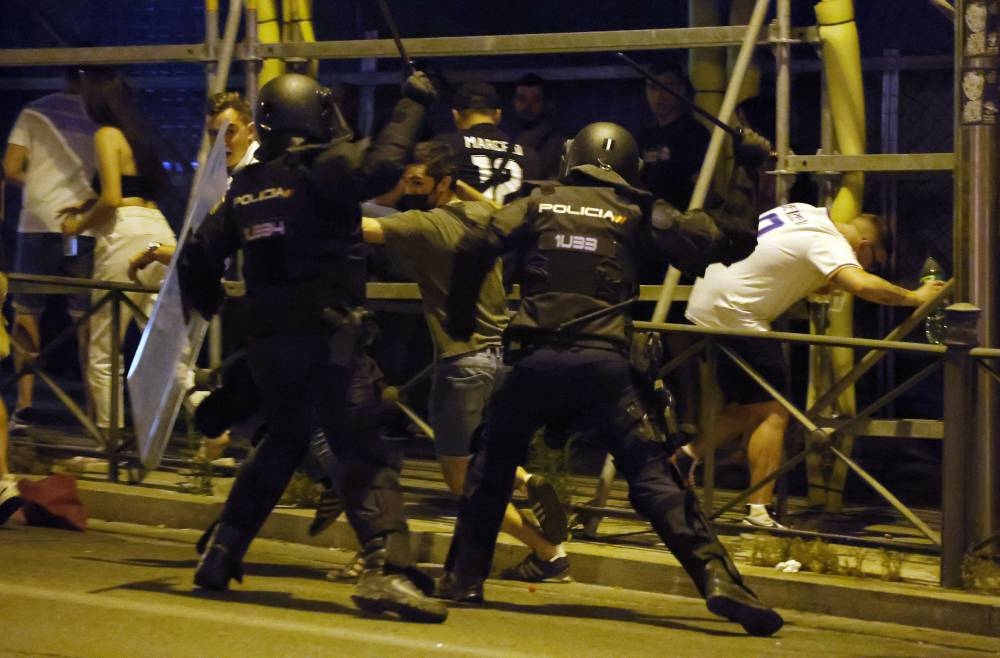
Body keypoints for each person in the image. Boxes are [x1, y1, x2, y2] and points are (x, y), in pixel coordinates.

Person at [434, 121, 784, 637]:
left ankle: (463, 579)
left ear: (568, 160)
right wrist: (747, 168)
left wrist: (463, 319)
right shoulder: (639, 209)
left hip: (533, 364)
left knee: (490, 467)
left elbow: (471, 246)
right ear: (630, 167)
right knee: (654, 478)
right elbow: (728, 240)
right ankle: (717, 580)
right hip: (605, 368)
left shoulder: (537, 202)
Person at [177, 71, 448, 623]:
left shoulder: (248, 187)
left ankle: (222, 551)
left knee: (282, 444)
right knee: (367, 452)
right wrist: (412, 102)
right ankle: (388, 570)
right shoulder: (323, 168)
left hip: (269, 348)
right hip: (329, 340)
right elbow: (383, 167)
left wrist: (213, 307)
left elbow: (197, 257)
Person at [362, 142, 571, 582]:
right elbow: (502, 207)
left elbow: (365, 229)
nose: (413, 190)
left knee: (463, 481)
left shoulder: (425, 223)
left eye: (419, 183)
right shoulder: (485, 218)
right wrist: (459, 186)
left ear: (441, 184)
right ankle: (527, 483)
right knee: (484, 461)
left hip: (461, 364)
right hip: (501, 360)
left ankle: (547, 550)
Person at [675, 206, 946, 528]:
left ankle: (683, 458)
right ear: (864, 247)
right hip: (737, 316)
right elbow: (862, 285)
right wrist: (916, 297)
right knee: (775, 413)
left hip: (707, 303)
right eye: (871, 261)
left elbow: (774, 257)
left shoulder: (802, 212)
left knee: (751, 408)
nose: (864, 265)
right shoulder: (827, 242)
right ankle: (758, 513)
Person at [59, 67, 176, 435]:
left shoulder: (107, 134)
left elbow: (112, 197)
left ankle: (109, 441)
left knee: (104, 347)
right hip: (157, 229)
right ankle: (206, 426)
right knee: (160, 339)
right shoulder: (139, 134)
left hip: (124, 235)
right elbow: (132, 188)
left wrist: (79, 225)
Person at [2, 67, 99, 432]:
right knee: (86, 317)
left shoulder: (35, 110)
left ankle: (23, 408)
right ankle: (95, 411)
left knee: (28, 313)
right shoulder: (99, 116)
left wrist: (40, 183)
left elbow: (11, 168)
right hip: (82, 223)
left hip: (38, 222)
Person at [433, 81, 526, 205]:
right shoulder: (526, 154)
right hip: (509, 222)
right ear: (498, 114)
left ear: (455, 115)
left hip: (462, 222)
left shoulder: (444, 146)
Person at [508, 74, 565, 181]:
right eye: (522, 99)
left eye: (536, 100)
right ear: (513, 102)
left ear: (545, 104)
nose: (528, 106)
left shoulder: (556, 143)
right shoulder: (503, 135)